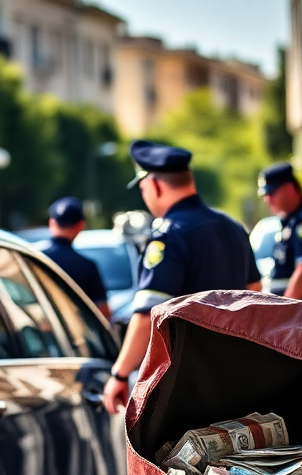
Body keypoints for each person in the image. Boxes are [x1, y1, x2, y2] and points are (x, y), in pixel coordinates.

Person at [102, 140, 261, 414]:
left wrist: (119, 374)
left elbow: (145, 315)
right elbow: (257, 294)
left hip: (189, 383)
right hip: (241, 374)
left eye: (142, 189)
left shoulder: (169, 235)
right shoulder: (232, 227)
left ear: (154, 185)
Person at [258, 162, 302, 301]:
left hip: (300, 314)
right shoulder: (290, 222)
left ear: (289, 189)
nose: (268, 200)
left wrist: (283, 310)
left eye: (272, 193)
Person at [41, 197, 110, 317]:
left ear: (51, 223)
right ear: (80, 226)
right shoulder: (87, 267)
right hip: (78, 333)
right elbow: (103, 312)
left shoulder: (34, 258)